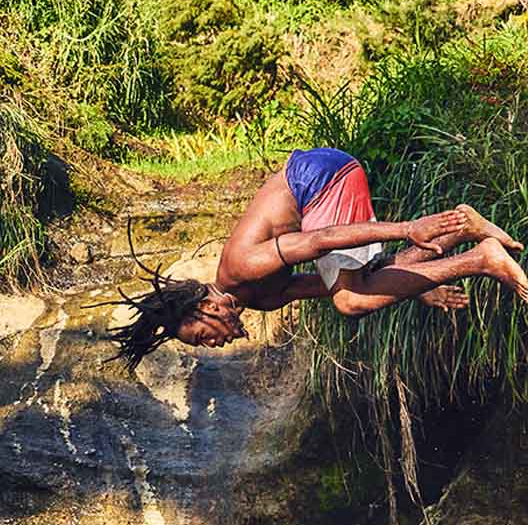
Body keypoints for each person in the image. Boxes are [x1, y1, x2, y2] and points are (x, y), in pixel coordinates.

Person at [108, 147, 528, 366]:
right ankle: (462, 228)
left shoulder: (240, 268)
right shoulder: (263, 298)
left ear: (206, 306)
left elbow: (321, 241)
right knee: (353, 294)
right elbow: (359, 282)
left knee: (350, 301)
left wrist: (408, 229)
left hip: (320, 179)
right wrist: (418, 287)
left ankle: (484, 259)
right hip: (321, 183)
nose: (215, 344)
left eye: (203, 337)